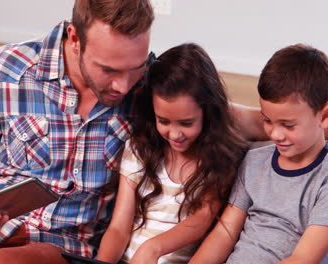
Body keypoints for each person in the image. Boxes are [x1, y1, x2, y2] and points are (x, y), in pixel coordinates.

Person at [0, 0, 328, 262]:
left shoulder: (149, 87)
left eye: (136, 67)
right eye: (109, 70)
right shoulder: (10, 68)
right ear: (74, 40)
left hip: (54, 247)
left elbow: (235, 114)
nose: (124, 84)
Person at [189, 44, 328, 264]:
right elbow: (224, 234)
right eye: (267, 120)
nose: (275, 134)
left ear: (325, 116)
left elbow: (303, 259)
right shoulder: (255, 161)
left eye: (288, 125)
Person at [95, 43, 247, 264]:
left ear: (208, 112)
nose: (175, 134)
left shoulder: (219, 157)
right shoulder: (139, 148)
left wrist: (153, 248)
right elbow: (119, 227)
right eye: (163, 121)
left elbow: (203, 218)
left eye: (186, 123)